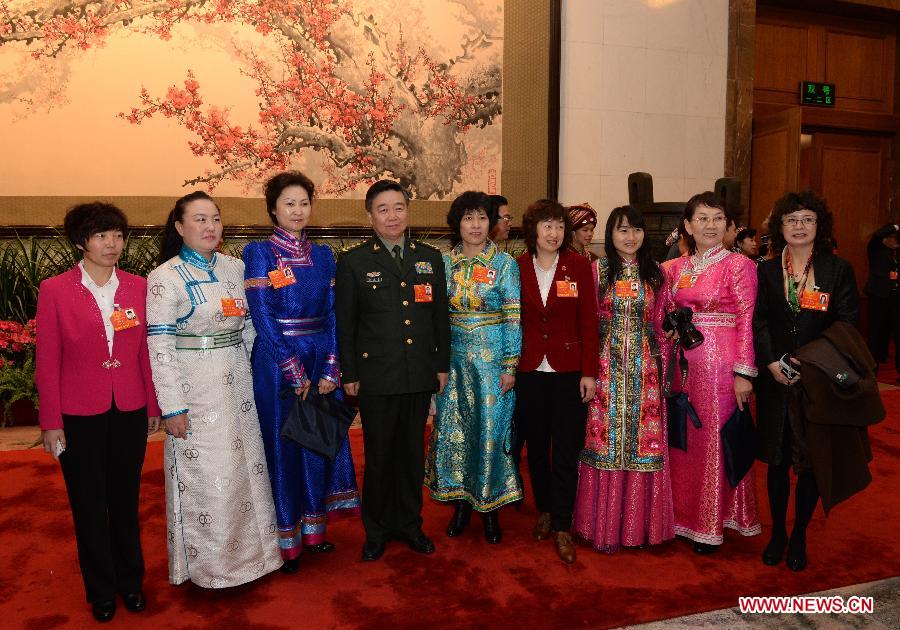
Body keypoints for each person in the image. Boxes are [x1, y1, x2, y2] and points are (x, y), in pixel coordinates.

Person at [146, 191, 282, 588]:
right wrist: (172, 406)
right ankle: (213, 569)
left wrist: (258, 376)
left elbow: (253, 326)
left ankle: (257, 558)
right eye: (200, 219)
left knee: (246, 473)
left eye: (216, 219)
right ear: (179, 227)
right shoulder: (164, 278)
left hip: (238, 384)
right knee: (209, 477)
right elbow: (160, 347)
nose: (210, 227)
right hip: (195, 392)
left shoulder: (234, 268)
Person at [35, 203, 161, 623]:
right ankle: (101, 590)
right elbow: (47, 359)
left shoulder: (138, 287)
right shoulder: (55, 289)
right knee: (89, 504)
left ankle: (131, 583)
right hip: (78, 412)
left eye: (118, 235)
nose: (112, 244)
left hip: (129, 406)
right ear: (80, 242)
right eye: (101, 236)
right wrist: (51, 422)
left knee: (126, 502)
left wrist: (153, 405)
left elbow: (146, 350)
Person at [242, 171, 360, 572]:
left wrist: (330, 366)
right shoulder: (259, 253)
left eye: (303, 203)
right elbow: (264, 318)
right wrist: (294, 372)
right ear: (273, 208)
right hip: (278, 365)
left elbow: (333, 315)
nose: (297, 210)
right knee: (284, 447)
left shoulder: (325, 255)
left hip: (320, 357)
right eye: (289, 203)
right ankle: (286, 540)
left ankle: (315, 532)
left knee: (317, 443)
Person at [335, 180, 451, 561]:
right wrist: (349, 372)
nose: (392, 215)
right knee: (380, 455)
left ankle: (409, 524)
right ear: (370, 216)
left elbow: (439, 319)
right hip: (376, 376)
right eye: (383, 209)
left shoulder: (429, 257)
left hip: (418, 372)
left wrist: (441, 365)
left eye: (398, 207)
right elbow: (346, 323)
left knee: (411, 456)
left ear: (408, 211)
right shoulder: (354, 261)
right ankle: (377, 530)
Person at [753, 191, 860, 571]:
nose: (799, 226)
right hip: (776, 380)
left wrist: (810, 360)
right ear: (780, 227)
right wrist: (770, 362)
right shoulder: (764, 271)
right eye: (791, 220)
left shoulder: (837, 270)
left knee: (812, 461)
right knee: (778, 461)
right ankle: (778, 534)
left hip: (818, 380)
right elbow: (759, 320)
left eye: (807, 219)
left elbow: (847, 322)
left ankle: (799, 534)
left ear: (819, 226)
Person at [656, 191, 760, 554]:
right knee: (682, 439)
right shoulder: (674, 269)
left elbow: (747, 321)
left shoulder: (739, 265)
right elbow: (661, 313)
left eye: (718, 218)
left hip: (722, 364)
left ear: (728, 225)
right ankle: (681, 517)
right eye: (702, 218)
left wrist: (744, 373)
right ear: (687, 225)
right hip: (682, 365)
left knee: (716, 438)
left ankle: (710, 522)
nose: (710, 225)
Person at [572, 205, 674, 553]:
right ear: (610, 235)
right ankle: (600, 526)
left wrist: (666, 372)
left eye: (636, 230)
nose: (630, 237)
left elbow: (662, 326)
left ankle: (638, 528)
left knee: (643, 444)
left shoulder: (657, 274)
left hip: (645, 371)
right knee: (605, 442)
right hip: (605, 368)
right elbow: (584, 324)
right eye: (622, 230)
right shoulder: (596, 271)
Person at [425, 191, 522, 544]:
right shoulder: (443, 263)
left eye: (482, 218)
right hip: (452, 363)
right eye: (468, 218)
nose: (476, 225)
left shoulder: (506, 264)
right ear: (458, 223)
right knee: (456, 431)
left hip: (492, 362)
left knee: (490, 433)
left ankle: (490, 508)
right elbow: (433, 318)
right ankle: (461, 503)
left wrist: (510, 365)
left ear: (491, 223)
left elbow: (513, 317)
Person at [516, 199, 599, 564]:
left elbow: (589, 323)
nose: (554, 233)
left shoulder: (578, 266)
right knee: (535, 448)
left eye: (559, 227)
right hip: (529, 369)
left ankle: (563, 524)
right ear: (533, 229)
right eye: (547, 226)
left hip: (568, 372)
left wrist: (589, 372)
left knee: (566, 449)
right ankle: (545, 510)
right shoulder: (515, 267)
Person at [864, 222, 900, 376]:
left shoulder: (897, 253)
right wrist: (896, 226)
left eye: (895, 238)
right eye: (890, 237)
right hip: (879, 297)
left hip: (896, 299)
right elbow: (877, 235)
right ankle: (872, 368)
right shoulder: (876, 250)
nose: (893, 240)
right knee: (876, 333)